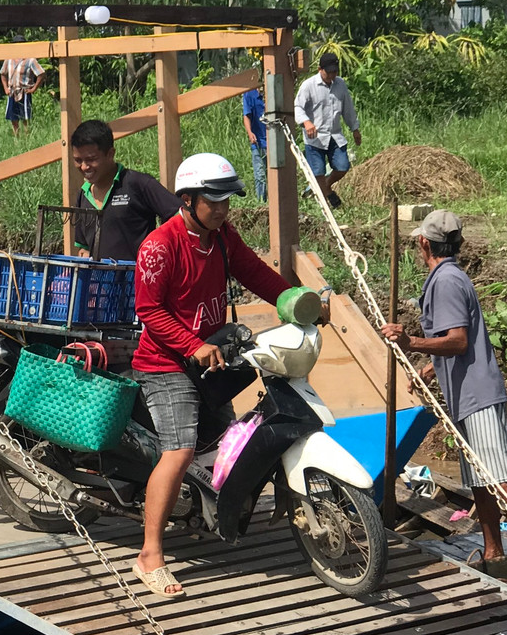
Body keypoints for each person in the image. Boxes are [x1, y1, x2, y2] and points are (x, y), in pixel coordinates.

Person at [130, 153, 297, 598]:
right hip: (166, 363)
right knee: (181, 451)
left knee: (226, 442)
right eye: (214, 200)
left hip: (210, 359)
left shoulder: (222, 237)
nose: (224, 208)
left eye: (228, 200)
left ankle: (206, 513)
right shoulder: (159, 246)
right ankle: (149, 556)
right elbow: (148, 309)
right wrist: (192, 344)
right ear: (187, 199)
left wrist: (297, 300)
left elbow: (255, 273)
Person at [380, 210, 507, 584]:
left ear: (424, 243)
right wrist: (431, 368)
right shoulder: (447, 277)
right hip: (465, 394)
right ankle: (494, 550)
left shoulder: (445, 281)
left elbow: (458, 340)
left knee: (497, 478)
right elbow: (460, 339)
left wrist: (410, 342)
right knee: (478, 480)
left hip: (477, 395)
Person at [70, 119, 181, 262]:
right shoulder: (83, 195)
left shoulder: (138, 184)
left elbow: (180, 215)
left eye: (91, 159)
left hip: (137, 280)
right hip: (98, 282)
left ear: (110, 154)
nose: (84, 167)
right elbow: (84, 247)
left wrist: (160, 249)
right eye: (78, 160)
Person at [294, 52, 360, 209]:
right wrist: (307, 122)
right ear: (320, 69)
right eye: (328, 71)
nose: (332, 75)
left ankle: (325, 187)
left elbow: (348, 109)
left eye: (334, 71)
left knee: (343, 166)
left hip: (335, 136)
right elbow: (298, 107)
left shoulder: (340, 84)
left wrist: (355, 129)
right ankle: (327, 201)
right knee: (318, 172)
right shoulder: (308, 86)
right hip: (315, 138)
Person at [0, 56, 44, 137]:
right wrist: (6, 88)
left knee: (25, 118)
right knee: (13, 118)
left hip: (24, 92)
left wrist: (33, 89)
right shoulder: (9, 59)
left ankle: (27, 139)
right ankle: (17, 139)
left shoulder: (30, 60)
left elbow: (41, 74)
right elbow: (3, 73)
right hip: (12, 92)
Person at [242, 85, 267, 201]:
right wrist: (250, 132)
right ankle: (261, 201)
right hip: (258, 141)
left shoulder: (273, 92)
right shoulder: (249, 94)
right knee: (260, 174)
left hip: (274, 141)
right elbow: (246, 115)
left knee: (274, 174)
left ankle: (275, 200)